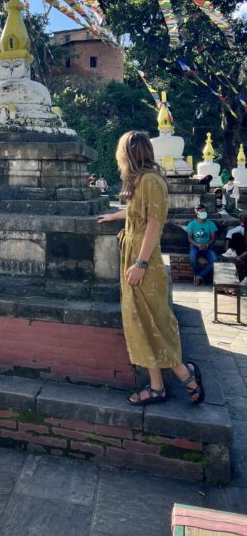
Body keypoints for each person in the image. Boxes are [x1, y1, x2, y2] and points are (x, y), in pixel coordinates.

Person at [98, 131, 204, 406]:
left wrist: (140, 263)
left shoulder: (151, 181)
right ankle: (156, 385)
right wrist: (115, 215)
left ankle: (185, 375)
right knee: (138, 322)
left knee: (153, 320)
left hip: (143, 260)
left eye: (121, 150)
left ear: (130, 154)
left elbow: (154, 224)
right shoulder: (139, 181)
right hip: (133, 256)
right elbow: (138, 213)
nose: (118, 155)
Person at [186, 205, 218, 285]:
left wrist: (207, 245)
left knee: (215, 260)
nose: (204, 213)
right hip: (195, 246)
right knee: (192, 259)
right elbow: (189, 238)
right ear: (197, 213)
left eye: (205, 211)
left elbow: (213, 238)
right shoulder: (191, 224)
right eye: (202, 212)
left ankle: (199, 276)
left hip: (208, 246)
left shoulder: (211, 224)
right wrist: (198, 245)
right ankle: (199, 276)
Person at [224, 213, 247, 280]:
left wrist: (240, 257)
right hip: (243, 248)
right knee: (236, 235)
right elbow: (230, 233)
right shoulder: (241, 228)